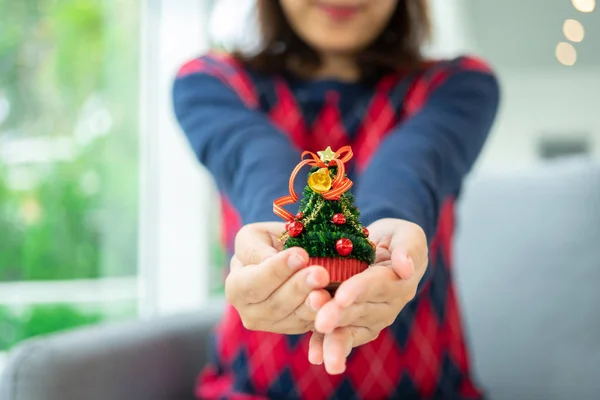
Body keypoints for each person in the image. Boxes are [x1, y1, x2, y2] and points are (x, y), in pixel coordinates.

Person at [173, 0, 500, 398]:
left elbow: (413, 163)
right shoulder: (212, 81)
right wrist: (289, 237)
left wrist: (390, 225)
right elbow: (256, 157)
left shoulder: (459, 84)